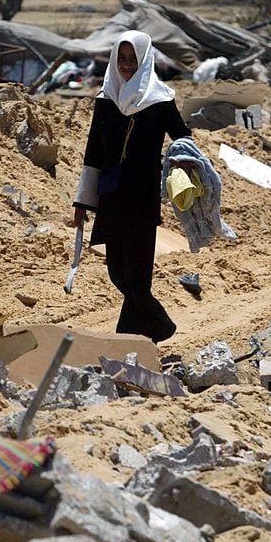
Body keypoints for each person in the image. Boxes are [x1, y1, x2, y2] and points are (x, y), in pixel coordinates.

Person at [71, 30, 192, 343]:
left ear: (144, 59)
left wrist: (185, 166)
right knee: (116, 272)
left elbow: (183, 138)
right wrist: (83, 202)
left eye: (132, 59)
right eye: (122, 58)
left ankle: (134, 336)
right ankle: (151, 329)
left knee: (136, 277)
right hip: (111, 197)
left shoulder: (160, 99)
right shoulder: (106, 99)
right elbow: (93, 152)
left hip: (142, 197)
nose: (126, 65)